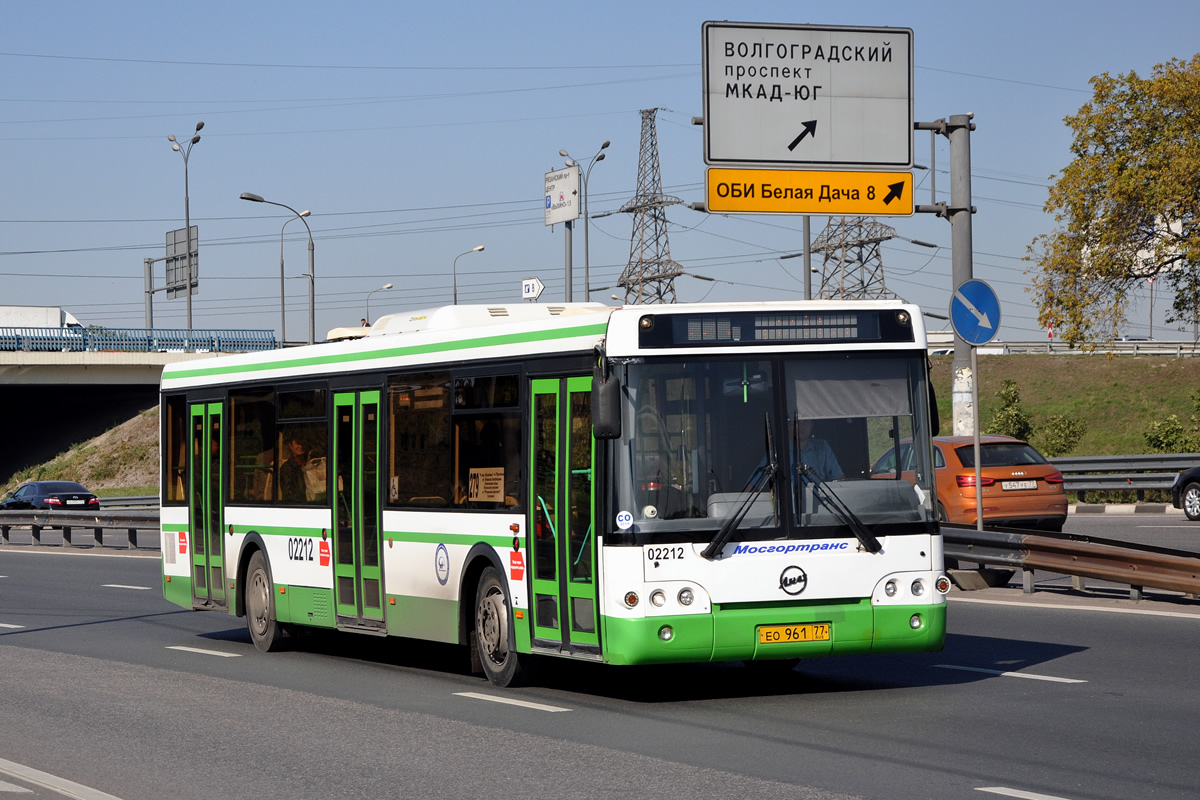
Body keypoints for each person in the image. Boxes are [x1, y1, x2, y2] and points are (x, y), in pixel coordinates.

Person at [794, 416, 843, 482]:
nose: (801, 426)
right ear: (789, 425)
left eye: (805, 422)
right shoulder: (782, 452)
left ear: (811, 425)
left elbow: (839, 478)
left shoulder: (822, 447)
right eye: (798, 422)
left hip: (819, 492)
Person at [278, 433, 309, 503]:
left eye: (303, 443)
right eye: (297, 443)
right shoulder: (286, 468)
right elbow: (288, 494)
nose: (300, 446)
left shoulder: (311, 464)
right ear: (290, 446)